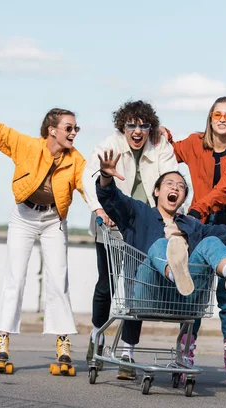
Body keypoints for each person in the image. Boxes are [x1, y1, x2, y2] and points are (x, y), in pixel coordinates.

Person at [96, 151, 226, 378]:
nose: (175, 188)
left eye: (181, 187)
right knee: (161, 245)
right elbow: (110, 197)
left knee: (211, 241)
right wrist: (105, 175)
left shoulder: (191, 225)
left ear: (183, 199)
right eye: (169, 183)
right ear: (157, 191)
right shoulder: (139, 213)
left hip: (184, 298)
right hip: (147, 292)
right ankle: (174, 270)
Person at [0, 76, 86, 371]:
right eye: (69, 127)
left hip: (53, 221)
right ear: (52, 130)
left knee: (58, 279)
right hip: (24, 216)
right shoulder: (25, 145)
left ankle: (62, 342)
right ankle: (2, 341)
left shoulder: (76, 160)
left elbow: (90, 187)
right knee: (15, 278)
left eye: (76, 127)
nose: (75, 132)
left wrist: (103, 209)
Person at [161, 96, 226, 387]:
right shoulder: (194, 143)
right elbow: (170, 154)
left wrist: (198, 208)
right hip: (200, 227)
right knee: (196, 292)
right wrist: (166, 137)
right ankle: (185, 352)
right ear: (210, 117)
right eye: (218, 114)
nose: (223, 119)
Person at [82, 100, 178, 379]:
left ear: (151, 127)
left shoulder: (160, 147)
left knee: (139, 289)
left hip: (143, 227)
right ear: (122, 126)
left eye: (143, 125)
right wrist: (99, 209)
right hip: (110, 224)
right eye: (131, 125)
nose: (137, 131)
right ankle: (97, 336)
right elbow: (89, 177)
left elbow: (173, 179)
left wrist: (171, 218)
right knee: (106, 286)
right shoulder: (109, 145)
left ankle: (127, 351)